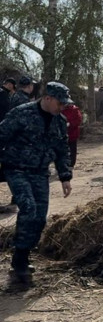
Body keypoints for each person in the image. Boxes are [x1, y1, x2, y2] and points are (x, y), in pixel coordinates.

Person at [0, 81, 73, 285]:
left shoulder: (60, 121)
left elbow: (62, 150)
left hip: (41, 172)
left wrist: (65, 177)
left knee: (40, 218)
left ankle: (22, 254)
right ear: (47, 98)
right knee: (29, 209)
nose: (62, 107)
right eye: (60, 103)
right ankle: (20, 262)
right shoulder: (21, 114)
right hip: (17, 169)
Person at [62, 100, 83, 167]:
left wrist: (70, 124)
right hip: (61, 134)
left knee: (72, 150)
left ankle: (71, 164)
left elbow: (78, 120)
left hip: (72, 133)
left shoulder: (75, 110)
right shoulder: (59, 109)